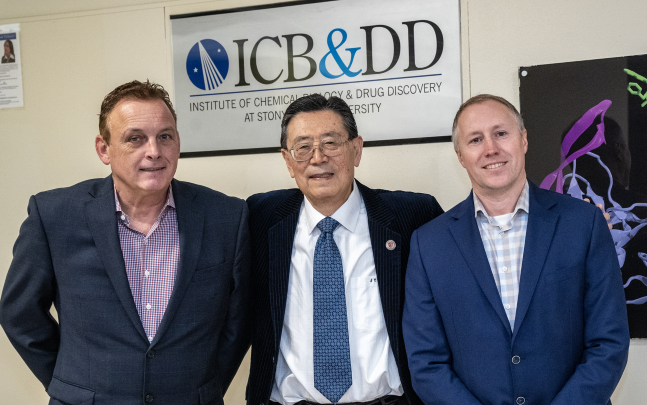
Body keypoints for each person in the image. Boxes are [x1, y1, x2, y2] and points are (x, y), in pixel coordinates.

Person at [0, 80, 251, 405]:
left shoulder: (227, 216)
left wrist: (206, 389)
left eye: (165, 136)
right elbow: (20, 313)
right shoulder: (54, 216)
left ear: (177, 141)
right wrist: (69, 385)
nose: (154, 151)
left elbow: (240, 321)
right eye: (135, 138)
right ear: (104, 149)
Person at [403, 94, 630, 405]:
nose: (491, 149)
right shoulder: (429, 243)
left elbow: (609, 342)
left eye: (501, 133)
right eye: (475, 139)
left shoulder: (584, 224)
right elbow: (426, 363)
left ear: (523, 140)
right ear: (461, 156)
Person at [246, 94, 443, 405]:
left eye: (331, 143)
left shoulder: (414, 217)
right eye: (303, 147)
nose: (318, 158)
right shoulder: (259, 218)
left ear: (356, 149)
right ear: (288, 160)